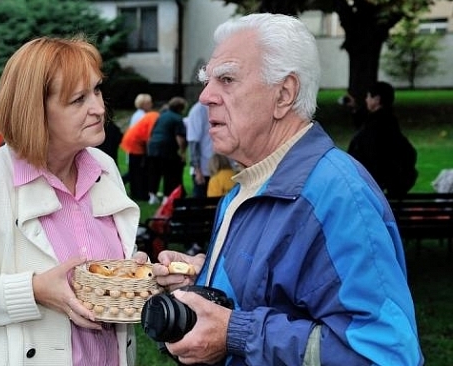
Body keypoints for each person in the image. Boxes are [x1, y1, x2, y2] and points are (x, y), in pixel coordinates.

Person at [151, 13, 423, 366]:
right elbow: (271, 290)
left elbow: (387, 355)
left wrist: (236, 332)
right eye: (207, 80)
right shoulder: (248, 184)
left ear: (284, 94)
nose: (205, 96)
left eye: (227, 79)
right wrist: (202, 282)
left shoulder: (338, 197)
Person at [0, 36, 144, 366]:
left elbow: (102, 273)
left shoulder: (104, 168)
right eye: (78, 100)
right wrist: (33, 290)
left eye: (96, 90)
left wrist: (141, 277)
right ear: (35, 111)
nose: (98, 108)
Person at [348, 81, 418, 196]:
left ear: (377, 99)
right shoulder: (389, 123)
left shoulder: (375, 127)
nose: (366, 100)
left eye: (369, 96)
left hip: (373, 188)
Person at [146, 96, 188, 205]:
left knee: (154, 173)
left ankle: (152, 196)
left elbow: (152, 132)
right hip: (167, 148)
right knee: (169, 173)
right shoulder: (178, 118)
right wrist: (183, 152)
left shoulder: (161, 116)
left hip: (153, 147)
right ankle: (166, 197)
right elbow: (180, 138)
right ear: (180, 108)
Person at [120, 108, 162, 201]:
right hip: (136, 143)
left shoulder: (152, 115)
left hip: (132, 140)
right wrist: (150, 153)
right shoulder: (155, 118)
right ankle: (140, 194)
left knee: (135, 169)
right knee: (139, 170)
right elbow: (149, 136)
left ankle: (135, 193)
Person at [186, 101, 213, 198]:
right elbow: (193, 143)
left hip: (218, 168)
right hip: (203, 170)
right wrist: (198, 170)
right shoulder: (198, 110)